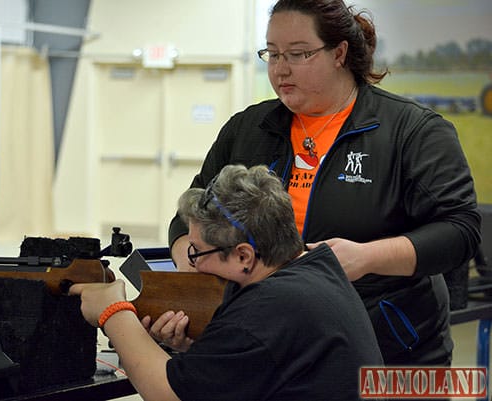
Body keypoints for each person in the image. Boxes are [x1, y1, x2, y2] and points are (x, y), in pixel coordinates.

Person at [165, 0, 481, 366]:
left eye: (298, 54)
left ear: (339, 54)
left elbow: (460, 232)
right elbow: (189, 217)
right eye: (272, 54)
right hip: (268, 344)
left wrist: (364, 259)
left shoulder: (413, 131)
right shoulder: (247, 130)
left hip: (389, 350)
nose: (280, 70)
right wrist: (194, 281)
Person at [70, 164, 384, 401]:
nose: (192, 265)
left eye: (197, 252)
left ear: (244, 256)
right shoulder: (316, 269)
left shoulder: (267, 309)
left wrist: (114, 312)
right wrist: (201, 349)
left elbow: (169, 394)